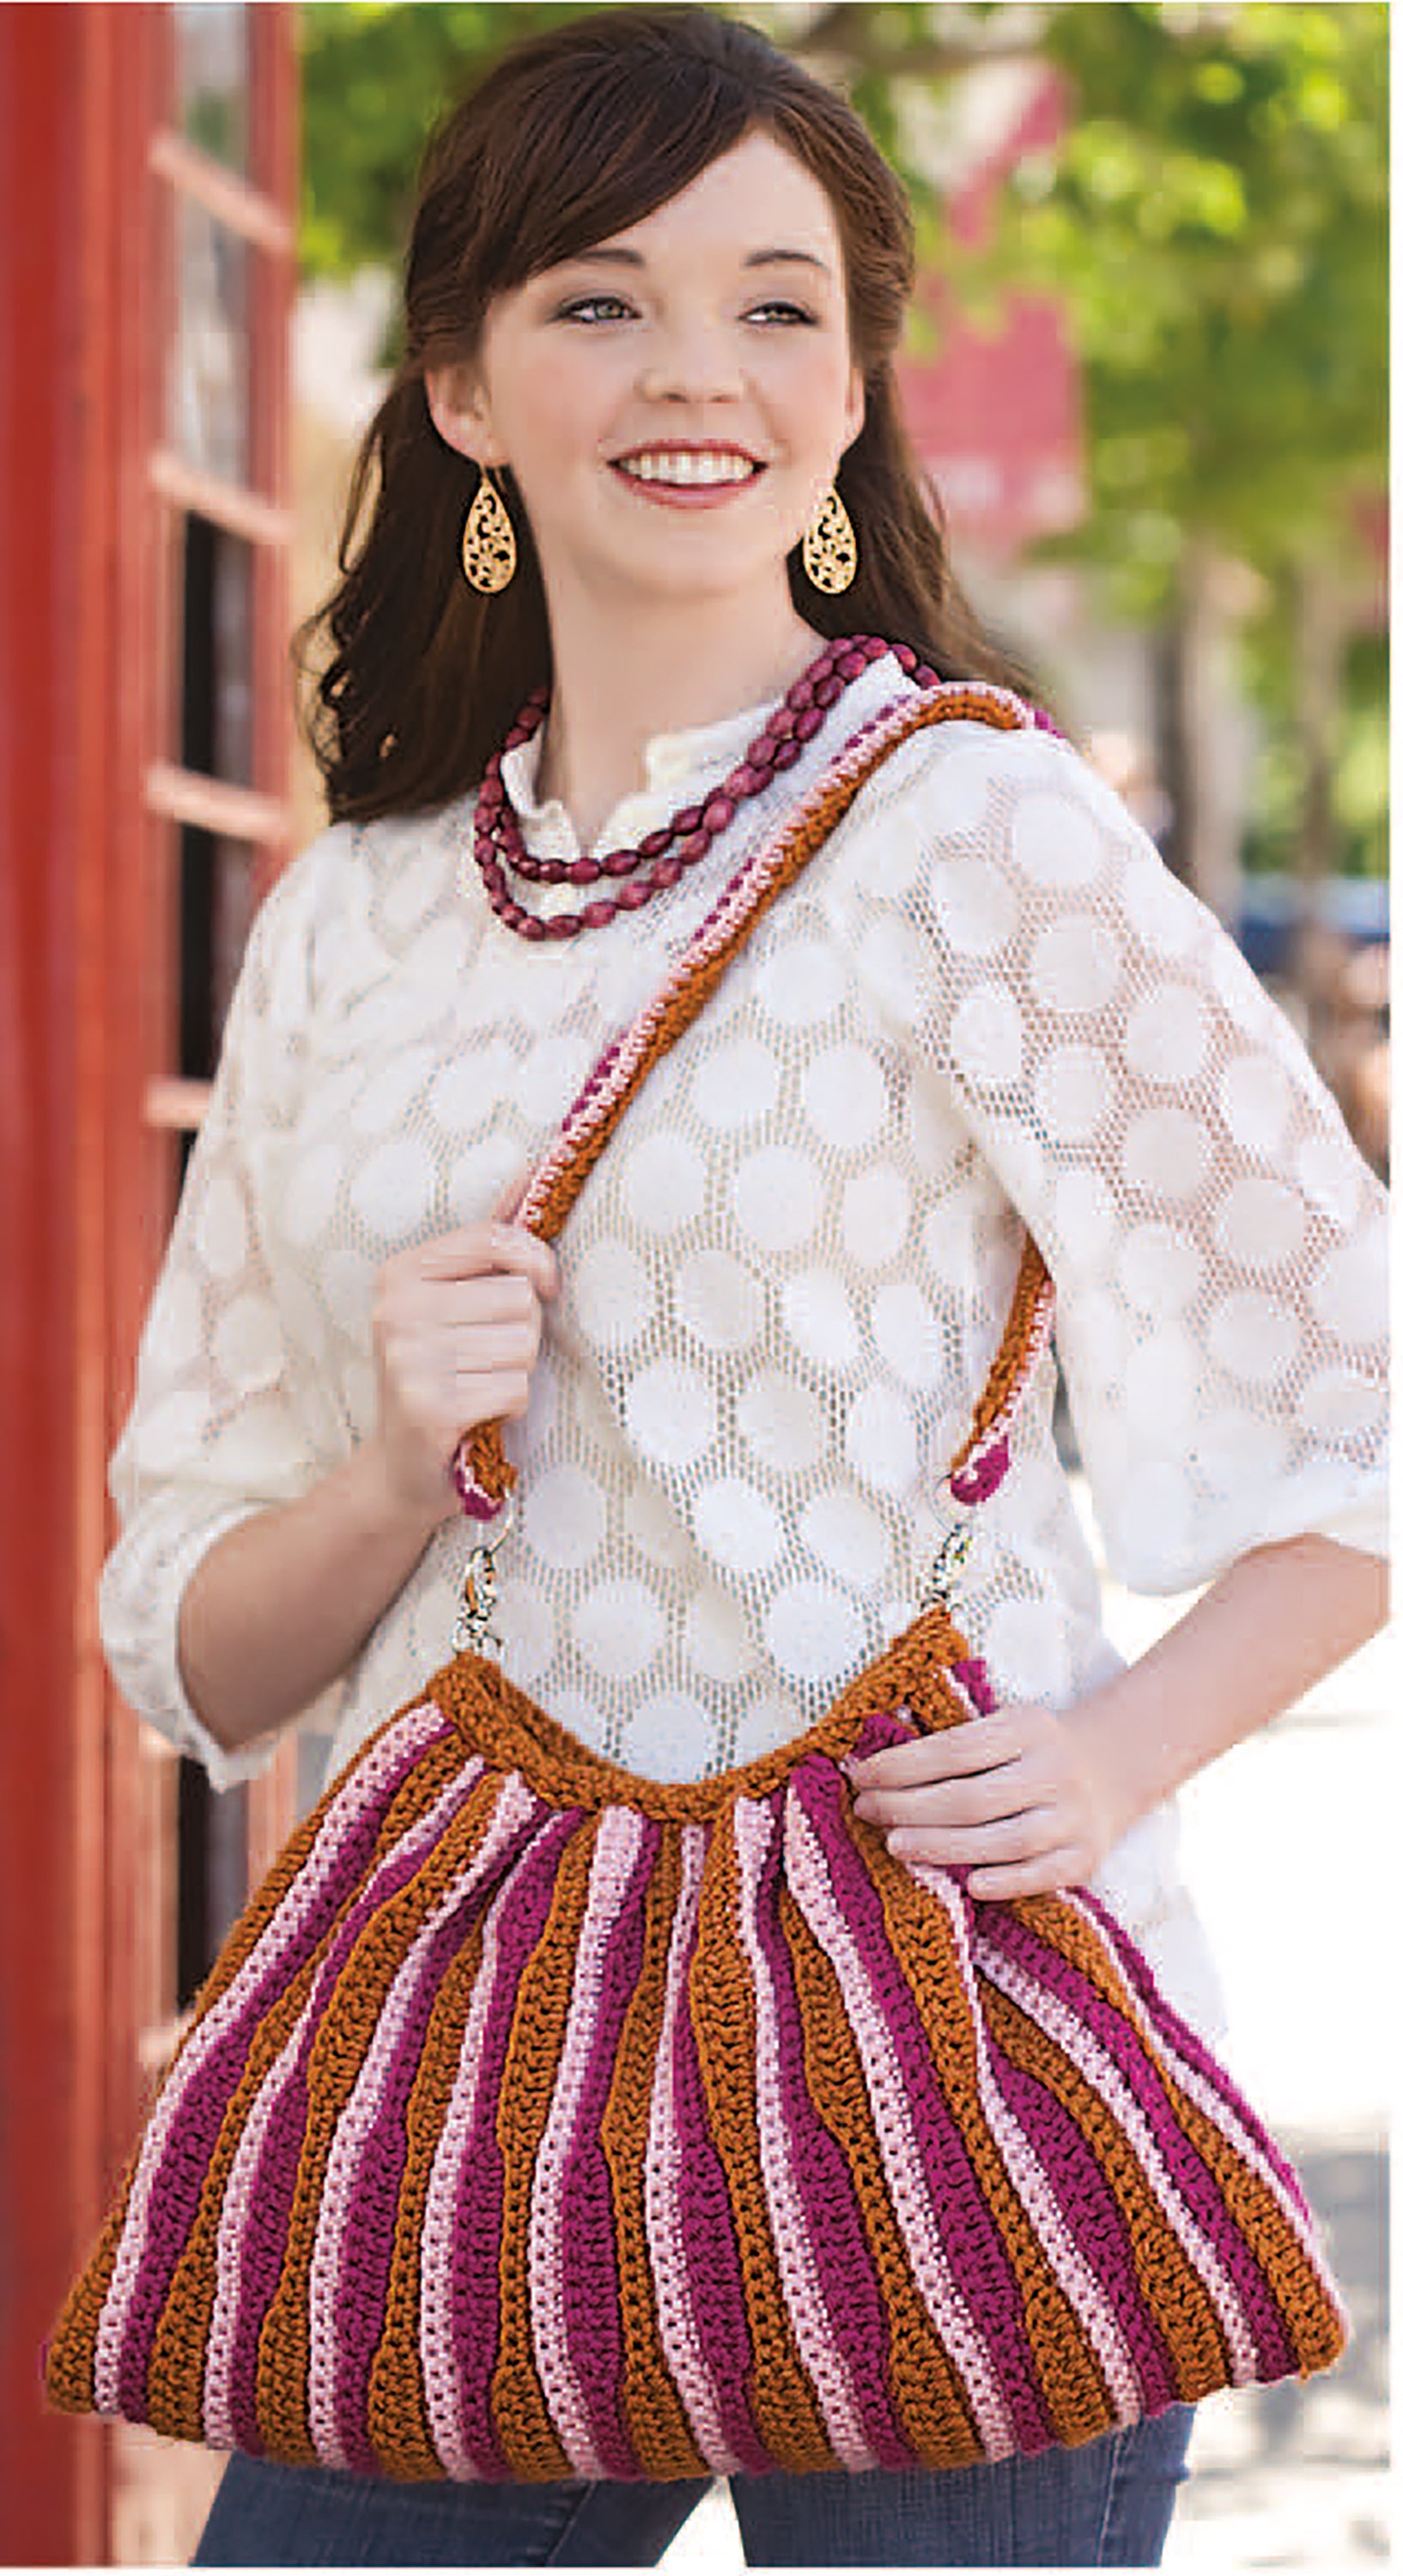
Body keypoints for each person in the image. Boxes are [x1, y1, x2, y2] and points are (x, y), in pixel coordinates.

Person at [99, 9, 1388, 2567]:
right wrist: (384, 1471)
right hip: (456, 2090)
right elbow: (199, 1655)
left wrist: (1118, 1757)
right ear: (460, 384)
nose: (699, 371)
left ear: (853, 382)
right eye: (601, 300)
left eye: (778, 305)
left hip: (938, 2051)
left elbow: (1356, 1406)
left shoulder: (979, 832)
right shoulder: (349, 920)